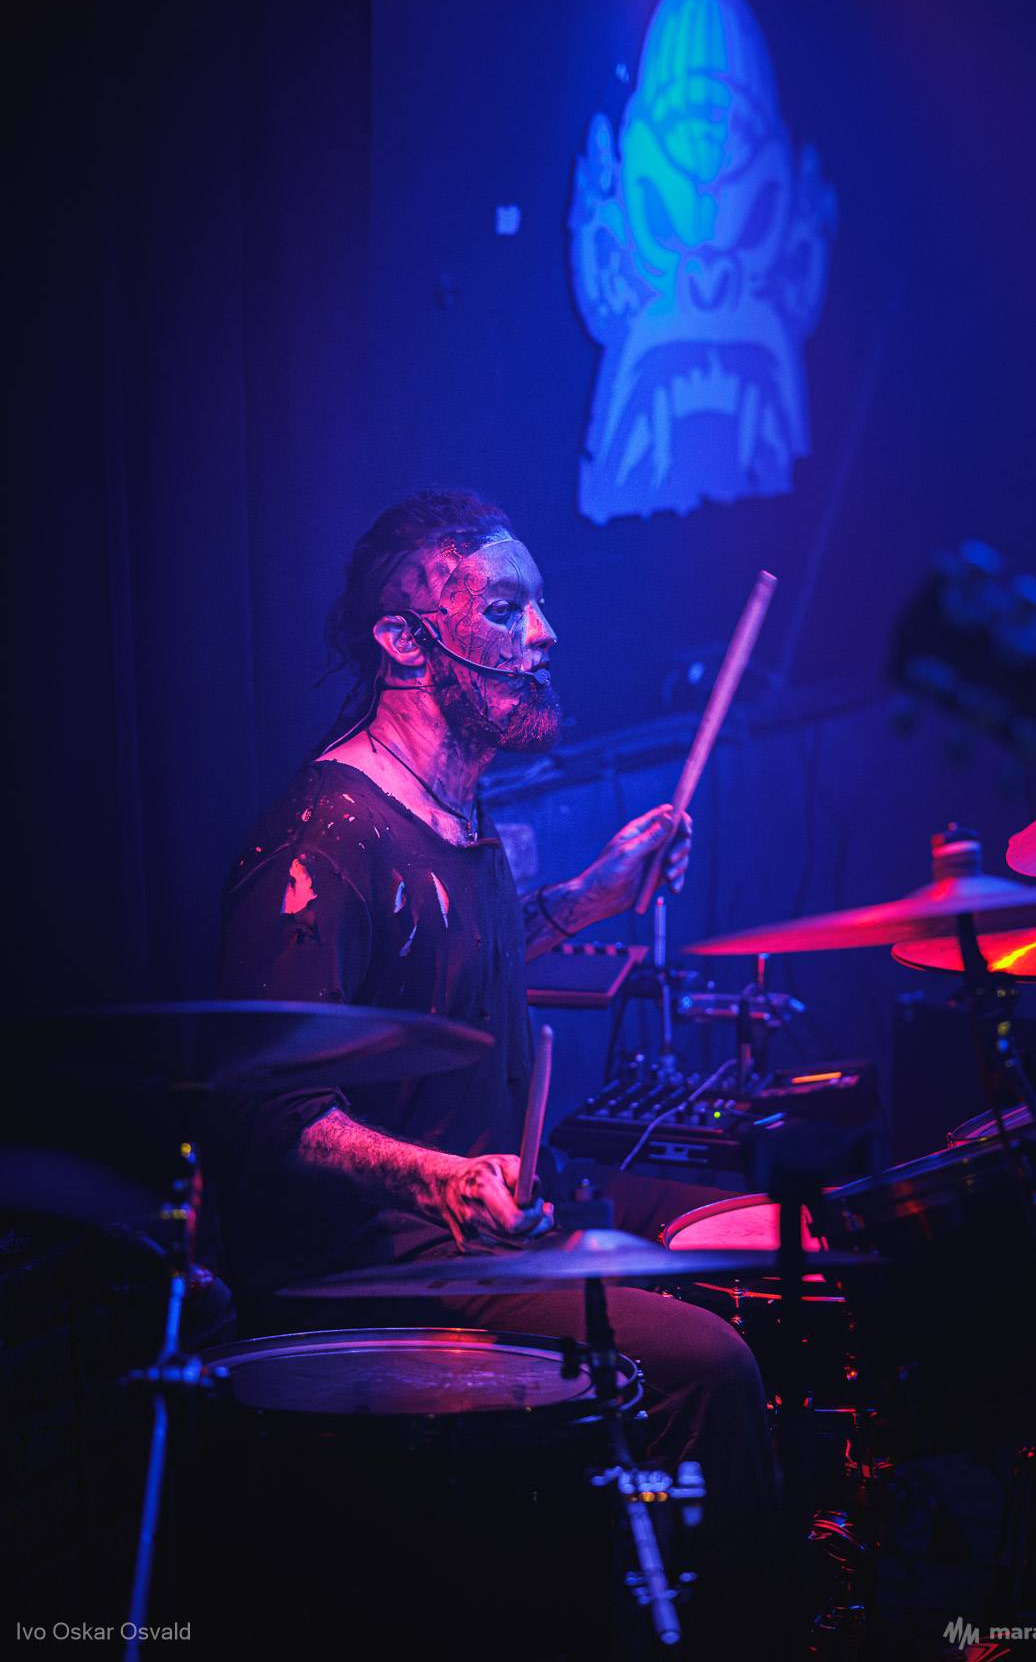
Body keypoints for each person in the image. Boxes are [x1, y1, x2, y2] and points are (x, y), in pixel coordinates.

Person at [213, 489, 776, 1615]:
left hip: (499, 1215)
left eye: (539, 606)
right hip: (387, 1263)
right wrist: (443, 1177)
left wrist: (589, 897)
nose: (545, 635)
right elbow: (267, 1111)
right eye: (508, 609)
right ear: (405, 639)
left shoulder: (455, 811)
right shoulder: (324, 838)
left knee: (767, 1228)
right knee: (710, 1363)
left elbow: (447, 967)